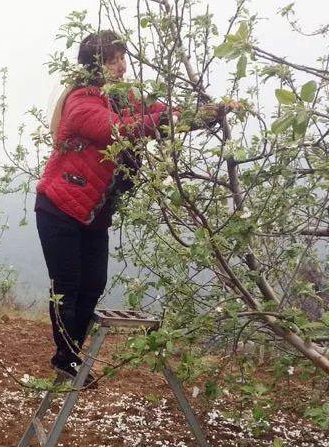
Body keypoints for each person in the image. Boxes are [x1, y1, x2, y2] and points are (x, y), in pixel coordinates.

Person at [37, 30, 233, 383]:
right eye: (115, 59)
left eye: (122, 58)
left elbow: (162, 113)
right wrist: (160, 121)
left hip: (93, 214)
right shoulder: (81, 102)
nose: (123, 65)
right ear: (97, 64)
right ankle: (66, 358)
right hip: (59, 209)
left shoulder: (123, 98)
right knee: (68, 285)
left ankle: (70, 355)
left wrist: (205, 115)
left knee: (94, 284)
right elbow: (119, 130)